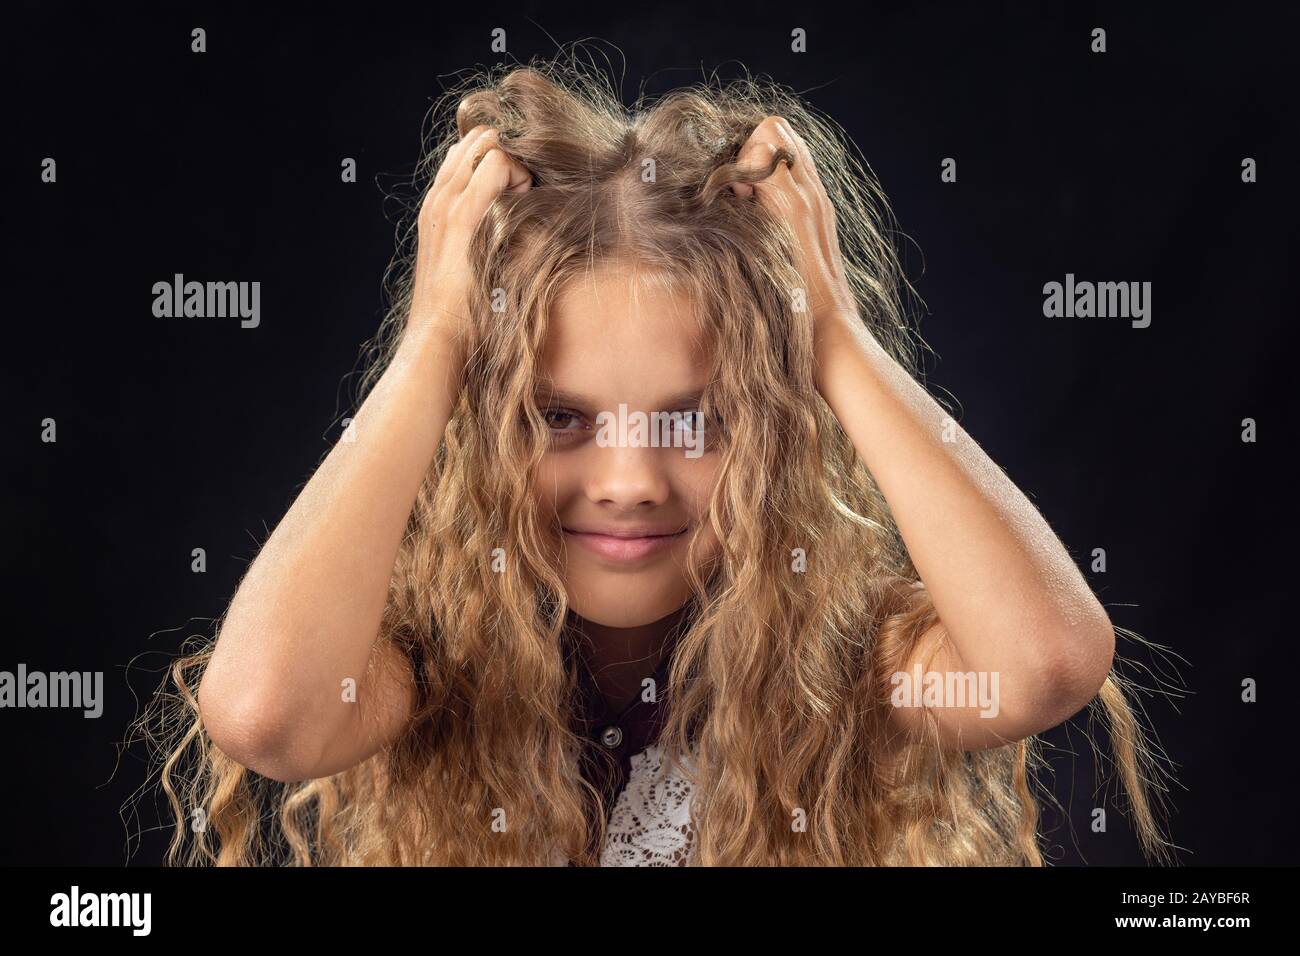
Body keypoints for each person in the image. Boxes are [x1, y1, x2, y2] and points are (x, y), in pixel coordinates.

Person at [140, 54, 1175, 866]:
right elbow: (266, 712)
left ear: (780, 428)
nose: (630, 478)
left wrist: (835, 340)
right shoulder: (425, 658)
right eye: (558, 415)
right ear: (475, 424)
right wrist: (432, 348)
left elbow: (1043, 660)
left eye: (702, 420)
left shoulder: (844, 658)